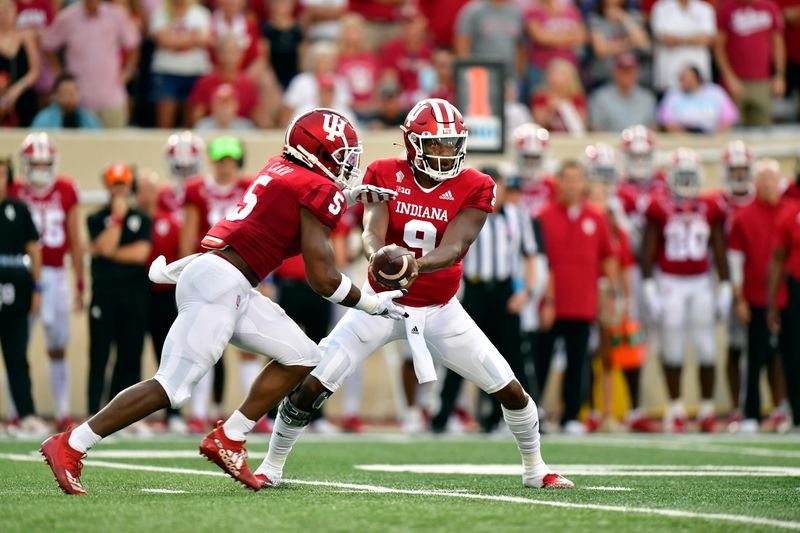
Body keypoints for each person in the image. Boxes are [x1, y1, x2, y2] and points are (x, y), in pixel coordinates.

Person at [40, 108, 405, 495]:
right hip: (219, 283)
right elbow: (324, 279)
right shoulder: (315, 188)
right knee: (171, 386)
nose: (348, 164)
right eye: (342, 155)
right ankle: (71, 444)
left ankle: (229, 437)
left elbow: (290, 213)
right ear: (317, 153)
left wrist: (345, 198)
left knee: (303, 356)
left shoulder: (282, 168)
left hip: (226, 279)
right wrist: (372, 304)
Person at [248, 98, 574, 491]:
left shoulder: (476, 185)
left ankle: (536, 468)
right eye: (436, 144)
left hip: (440, 308)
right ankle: (271, 465)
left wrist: (414, 266)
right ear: (412, 144)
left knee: (511, 389)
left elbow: (456, 246)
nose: (446, 153)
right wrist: (379, 256)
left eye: (452, 144)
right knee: (314, 385)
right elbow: (372, 229)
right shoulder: (385, 172)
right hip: (380, 303)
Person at [431, 168, 538, 434]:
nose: (495, 193)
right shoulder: (469, 214)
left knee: (513, 357)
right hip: (475, 291)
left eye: (498, 186)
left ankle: (527, 417)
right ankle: (442, 416)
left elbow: (529, 255)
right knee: (458, 352)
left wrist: (525, 291)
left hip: (505, 293)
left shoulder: (518, 215)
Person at [641, 148, 731, 433]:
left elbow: (718, 247)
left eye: (691, 176)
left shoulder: (710, 206)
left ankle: (705, 409)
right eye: (682, 176)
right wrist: (650, 286)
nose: (687, 182)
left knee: (706, 347)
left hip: (701, 282)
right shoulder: (659, 206)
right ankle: (675, 407)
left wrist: (725, 284)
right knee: (672, 347)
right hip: (670, 282)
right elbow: (648, 250)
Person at [535, 160, 617, 433]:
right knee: (540, 361)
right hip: (550, 304)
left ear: (583, 182)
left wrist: (611, 295)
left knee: (578, 362)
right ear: (557, 181)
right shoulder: (543, 216)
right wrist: (546, 300)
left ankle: (571, 415)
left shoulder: (596, 217)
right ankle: (531, 413)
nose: (572, 184)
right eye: (567, 178)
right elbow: (537, 261)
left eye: (577, 179)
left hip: (583, 304)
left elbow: (609, 258)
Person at [10, 133, 84, 431]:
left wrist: (79, 282)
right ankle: (18, 412)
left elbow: (76, 240)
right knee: (17, 345)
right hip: (19, 272)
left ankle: (62, 411)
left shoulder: (66, 188)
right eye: (35, 163)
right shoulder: (13, 190)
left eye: (45, 163)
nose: (41, 169)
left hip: (54, 272)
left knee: (58, 345)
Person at [179, 135, 252, 433]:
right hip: (209, 272)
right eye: (221, 160)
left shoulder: (249, 187)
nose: (225, 166)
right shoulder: (197, 190)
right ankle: (199, 412)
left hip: (243, 272)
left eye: (230, 160)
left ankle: (250, 414)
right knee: (205, 344)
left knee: (248, 344)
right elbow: (188, 232)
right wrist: (186, 268)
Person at [729, 159, 794, 433]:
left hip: (789, 296)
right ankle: (751, 413)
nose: (768, 184)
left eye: (772, 178)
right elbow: (735, 259)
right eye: (763, 179)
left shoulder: (792, 211)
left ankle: (788, 410)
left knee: (789, 355)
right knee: (754, 357)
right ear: (755, 183)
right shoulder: (743, 215)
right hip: (756, 295)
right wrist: (739, 297)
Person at [85, 163, 152, 416]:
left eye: (123, 184)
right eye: (115, 184)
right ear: (108, 186)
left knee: (130, 356)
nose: (120, 189)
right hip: (104, 295)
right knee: (99, 356)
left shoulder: (142, 218)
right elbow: (104, 247)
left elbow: (140, 253)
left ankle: (123, 416)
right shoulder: (95, 218)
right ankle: (93, 413)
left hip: (134, 296)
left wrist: (110, 252)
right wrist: (117, 219)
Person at [581, 143, 638, 433]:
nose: (598, 202)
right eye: (594, 196)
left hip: (605, 294)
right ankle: (585, 410)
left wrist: (623, 298)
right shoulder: (582, 220)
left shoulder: (616, 227)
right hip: (581, 293)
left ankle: (606, 413)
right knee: (580, 353)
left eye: (603, 196)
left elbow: (622, 263)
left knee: (607, 355)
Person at [135, 168, 186, 433]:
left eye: (149, 188)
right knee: (130, 353)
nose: (146, 194)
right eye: (141, 188)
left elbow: (180, 256)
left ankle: (173, 414)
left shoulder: (170, 222)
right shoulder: (129, 221)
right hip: (135, 293)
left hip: (164, 296)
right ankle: (130, 416)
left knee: (167, 354)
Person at [0, 157, 48, 435]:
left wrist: (37, 288)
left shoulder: (18, 210)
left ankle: (26, 414)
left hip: (15, 293)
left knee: (17, 356)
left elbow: (33, 248)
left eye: (2, 174)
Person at [42, 0, 140, 128]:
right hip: (81, 101)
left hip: (112, 98)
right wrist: (60, 75)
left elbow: (133, 45)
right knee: (83, 146)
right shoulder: (67, 18)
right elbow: (48, 45)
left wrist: (126, 73)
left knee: (116, 144)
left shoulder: (116, 15)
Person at [714, 0, 786, 127]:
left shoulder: (769, 7)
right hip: (735, 82)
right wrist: (729, 77)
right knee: (733, 129)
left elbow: (777, 43)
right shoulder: (726, 9)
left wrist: (779, 76)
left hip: (763, 82)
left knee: (763, 129)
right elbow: (718, 46)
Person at [767, 183, 800, 431]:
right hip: (795, 288)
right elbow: (778, 258)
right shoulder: (791, 213)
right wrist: (772, 304)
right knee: (792, 353)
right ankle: (797, 411)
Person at [149, 0, 212, 128]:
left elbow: (205, 39)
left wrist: (175, 39)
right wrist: (193, 38)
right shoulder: (160, 12)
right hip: (167, 72)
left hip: (196, 72)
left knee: (192, 124)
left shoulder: (201, 13)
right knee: (165, 124)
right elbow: (163, 41)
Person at [189, 35, 260, 126]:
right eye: (225, 52)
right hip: (212, 127)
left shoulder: (248, 83)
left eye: (233, 52)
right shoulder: (205, 82)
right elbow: (197, 116)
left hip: (239, 128)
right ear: (217, 54)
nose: (229, 56)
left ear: (241, 55)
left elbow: (255, 114)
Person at [280, 41, 353, 126]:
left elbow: (346, 107)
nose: (326, 64)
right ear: (313, 61)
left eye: (329, 60)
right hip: (305, 126)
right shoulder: (301, 81)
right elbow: (289, 109)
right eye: (322, 60)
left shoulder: (341, 82)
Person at [651, 0, 716, 93]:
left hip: (699, 80)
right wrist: (694, 38)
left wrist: (677, 39)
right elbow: (665, 39)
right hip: (669, 78)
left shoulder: (705, 9)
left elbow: (707, 39)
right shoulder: (660, 8)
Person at [524, 0, 586, 93]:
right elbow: (541, 38)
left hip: (568, 69)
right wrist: (569, 37)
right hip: (542, 68)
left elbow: (581, 37)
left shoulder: (571, 11)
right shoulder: (533, 12)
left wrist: (551, 36)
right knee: (541, 101)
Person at [454, 0, 525, 81]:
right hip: (480, 75)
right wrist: (467, 73)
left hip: (508, 75)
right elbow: (462, 44)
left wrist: (518, 74)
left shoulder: (515, 11)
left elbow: (519, 46)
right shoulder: (474, 10)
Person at [587, 0, 651, 89]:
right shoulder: (595, 18)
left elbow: (643, 43)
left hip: (632, 76)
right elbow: (601, 50)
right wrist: (629, 43)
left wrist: (624, 18)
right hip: (605, 76)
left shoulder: (634, 16)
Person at [657, 65, 739, 133]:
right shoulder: (673, 95)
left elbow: (729, 118)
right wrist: (684, 138)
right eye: (681, 78)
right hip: (683, 138)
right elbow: (666, 122)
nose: (683, 81)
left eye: (686, 78)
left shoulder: (715, 92)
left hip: (711, 136)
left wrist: (715, 138)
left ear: (697, 78)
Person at [588, 53, 657, 132]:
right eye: (623, 71)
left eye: (630, 71)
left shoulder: (647, 98)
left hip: (640, 142)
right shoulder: (600, 98)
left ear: (637, 73)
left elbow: (653, 130)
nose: (626, 75)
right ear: (614, 72)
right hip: (609, 142)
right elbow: (595, 130)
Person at [0, 0, 39, 127]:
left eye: (7, 11)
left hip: (23, 96)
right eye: (1, 11)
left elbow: (35, 71)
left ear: (15, 13)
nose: (4, 15)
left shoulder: (26, 37)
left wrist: (17, 89)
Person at [531, 59, 587, 135]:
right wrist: (550, 111)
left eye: (561, 74)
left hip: (571, 140)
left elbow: (581, 126)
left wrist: (566, 108)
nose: (556, 78)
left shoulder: (577, 97)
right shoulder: (540, 96)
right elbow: (538, 125)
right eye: (554, 74)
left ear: (569, 77)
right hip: (548, 137)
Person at [31, 74, 103, 129]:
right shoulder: (43, 120)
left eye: (72, 93)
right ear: (56, 95)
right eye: (65, 93)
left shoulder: (89, 119)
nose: (69, 97)